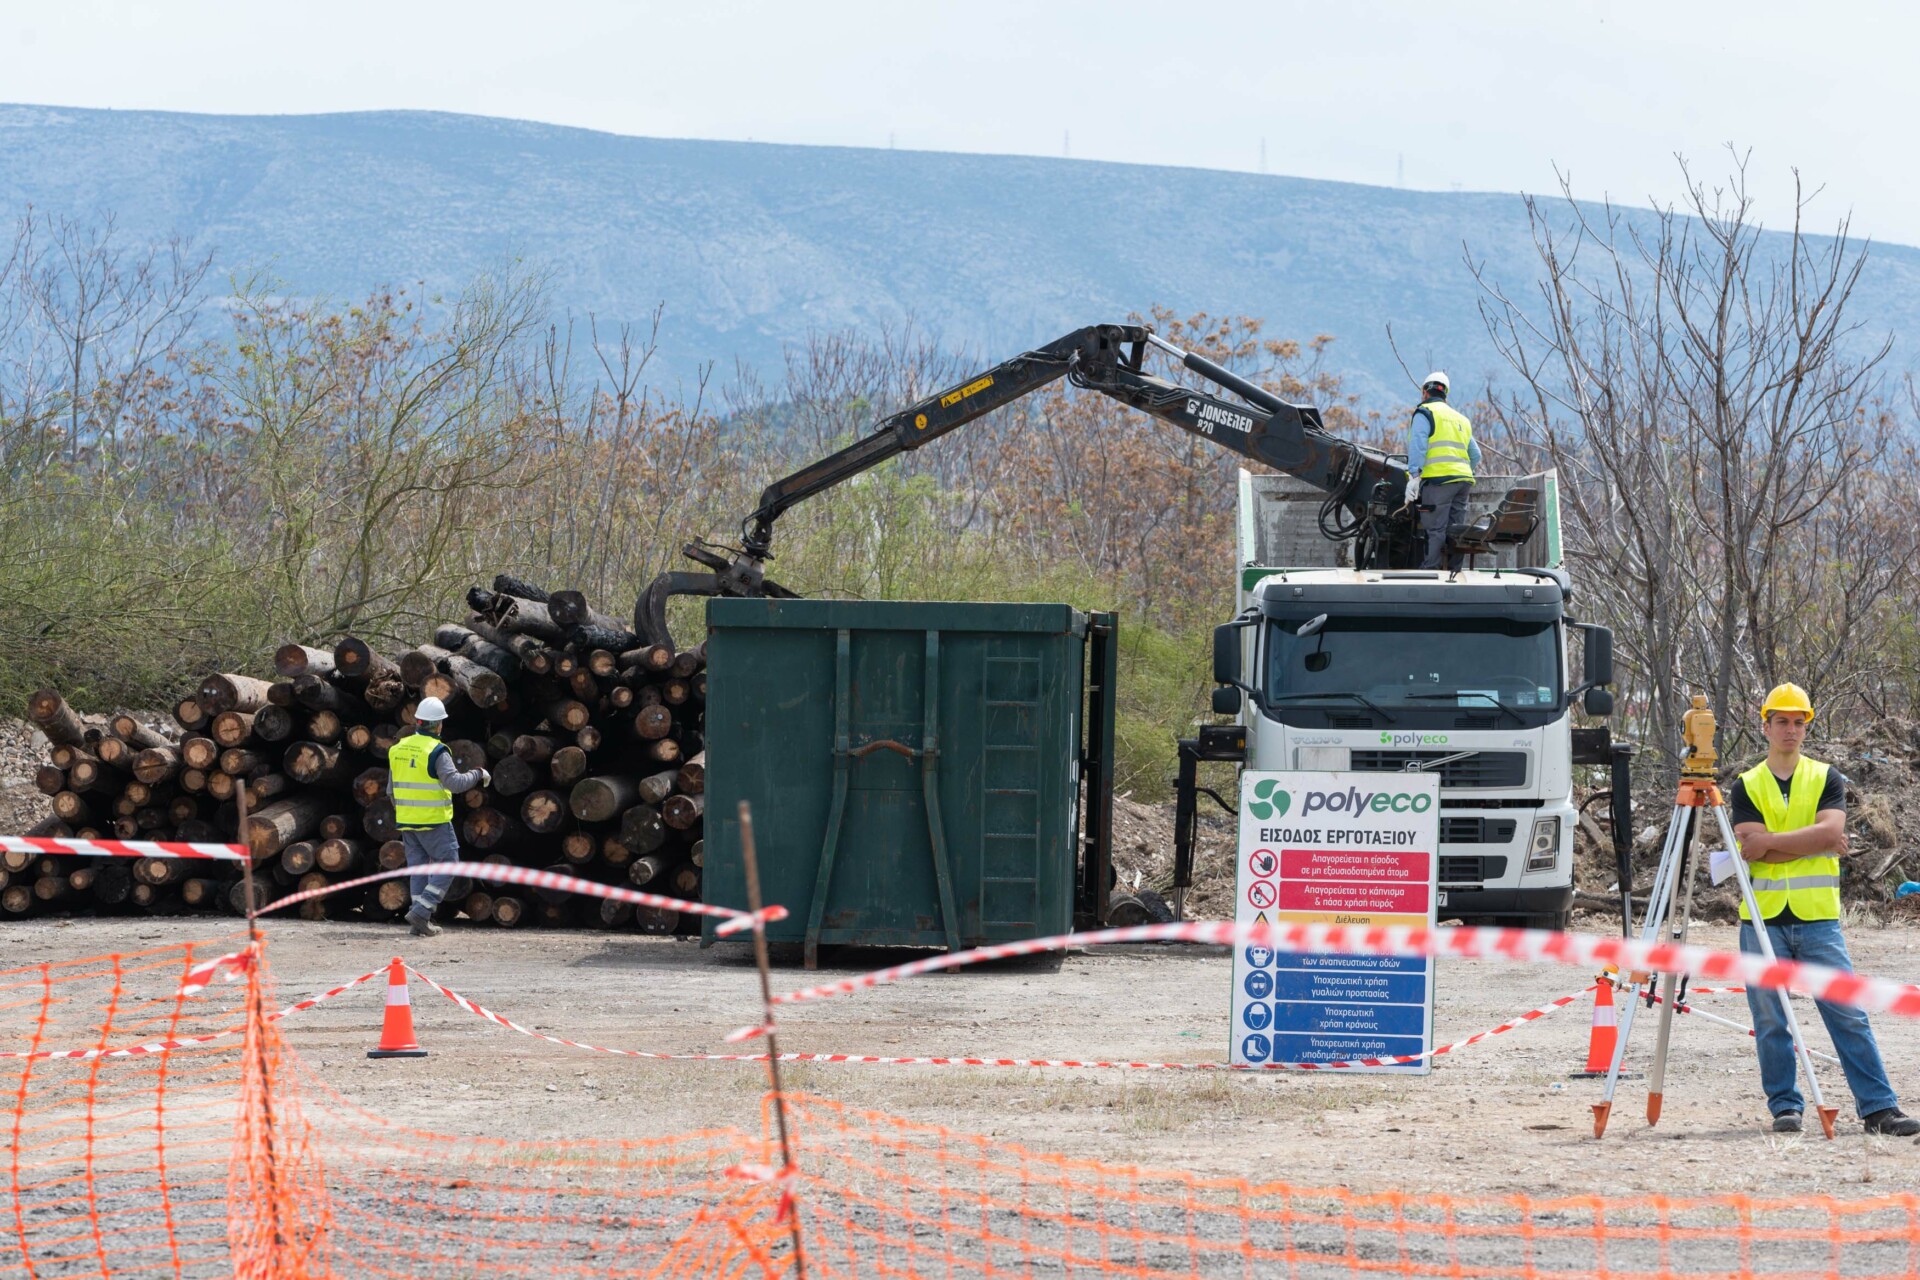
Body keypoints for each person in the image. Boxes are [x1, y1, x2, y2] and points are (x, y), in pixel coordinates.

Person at [1728, 682, 1919, 1137]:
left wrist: (1772, 843)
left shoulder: (1826, 777)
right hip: (1762, 919)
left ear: (1805, 726)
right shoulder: (1747, 785)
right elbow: (1752, 849)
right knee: (1771, 1017)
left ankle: (1878, 1109)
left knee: (1847, 1012)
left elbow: (1828, 833)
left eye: (1798, 722)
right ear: (1766, 725)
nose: (1790, 730)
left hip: (1817, 918)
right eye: (1782, 722)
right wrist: (1812, 842)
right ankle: (1785, 1108)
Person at [387, 696, 490, 938]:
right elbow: (454, 783)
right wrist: (478, 774)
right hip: (433, 820)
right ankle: (422, 910)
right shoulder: (436, 751)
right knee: (449, 862)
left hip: (407, 821)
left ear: (418, 722)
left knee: (419, 868)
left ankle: (418, 922)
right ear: (438, 725)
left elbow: (390, 790)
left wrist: (406, 811)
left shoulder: (398, 749)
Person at [1403, 371, 1481, 571]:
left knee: (1435, 528)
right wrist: (1461, 471)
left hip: (1438, 482)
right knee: (1456, 530)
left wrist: (1414, 476)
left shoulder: (1425, 412)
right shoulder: (1460, 419)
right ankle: (1454, 572)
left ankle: (1431, 571)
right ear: (1446, 394)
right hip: (1463, 481)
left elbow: (1418, 445)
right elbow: (1476, 455)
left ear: (1424, 392)